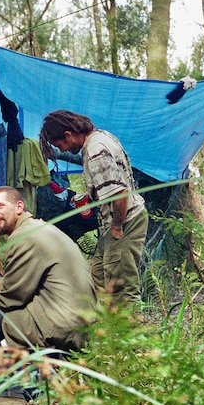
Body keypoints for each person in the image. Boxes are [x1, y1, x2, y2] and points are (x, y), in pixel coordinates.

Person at [0, 186, 97, 405]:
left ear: (19, 207)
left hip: (61, 324)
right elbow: (28, 277)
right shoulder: (39, 228)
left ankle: (10, 395)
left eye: (0, 206)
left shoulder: (21, 238)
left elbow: (14, 297)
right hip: (80, 320)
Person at [39, 110, 149, 306]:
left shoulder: (95, 150)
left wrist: (116, 227)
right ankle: (106, 326)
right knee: (98, 274)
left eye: (60, 145)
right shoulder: (102, 136)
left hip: (125, 221)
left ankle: (134, 330)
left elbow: (120, 193)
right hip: (115, 221)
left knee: (121, 287)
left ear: (68, 134)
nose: (62, 149)